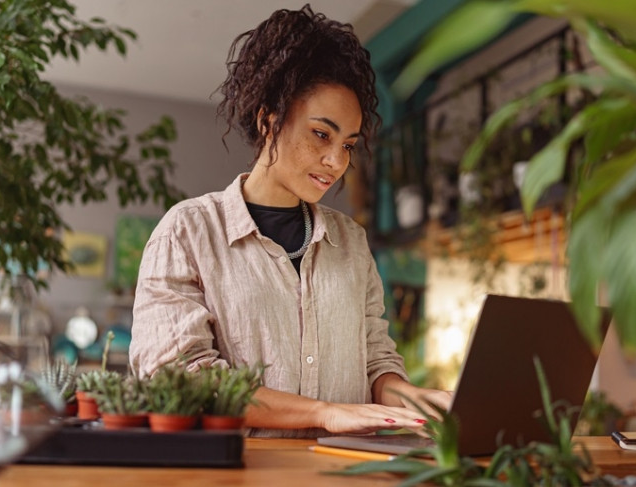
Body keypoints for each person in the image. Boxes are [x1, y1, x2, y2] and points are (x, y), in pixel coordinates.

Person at [130, 4, 451, 438]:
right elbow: (180, 379)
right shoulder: (187, 232)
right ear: (269, 120)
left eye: (348, 144)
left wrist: (420, 400)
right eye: (322, 134)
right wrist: (323, 412)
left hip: (344, 474)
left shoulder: (350, 241)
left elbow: (376, 363)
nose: (336, 161)